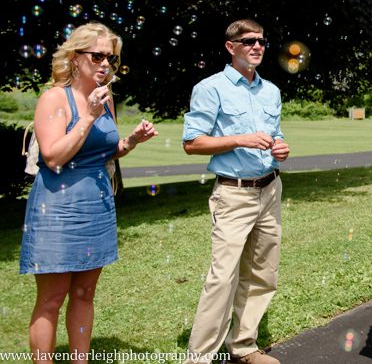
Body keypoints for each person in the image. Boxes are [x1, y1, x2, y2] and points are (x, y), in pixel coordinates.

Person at [20, 22, 158, 363]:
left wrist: (131, 141)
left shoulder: (104, 97)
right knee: (52, 298)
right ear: (74, 57)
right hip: (57, 208)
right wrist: (88, 116)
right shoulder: (55, 98)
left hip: (96, 206)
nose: (105, 64)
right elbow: (53, 157)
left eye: (111, 58)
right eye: (97, 56)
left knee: (84, 293)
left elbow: (106, 151)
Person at [183, 19, 290, 364]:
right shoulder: (210, 88)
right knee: (223, 278)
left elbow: (275, 133)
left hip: (270, 189)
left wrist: (281, 147)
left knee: (263, 274)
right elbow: (192, 143)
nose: (257, 46)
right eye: (249, 41)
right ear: (231, 47)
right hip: (233, 194)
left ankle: (243, 346)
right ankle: (200, 357)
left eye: (262, 41)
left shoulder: (271, 91)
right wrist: (240, 139)